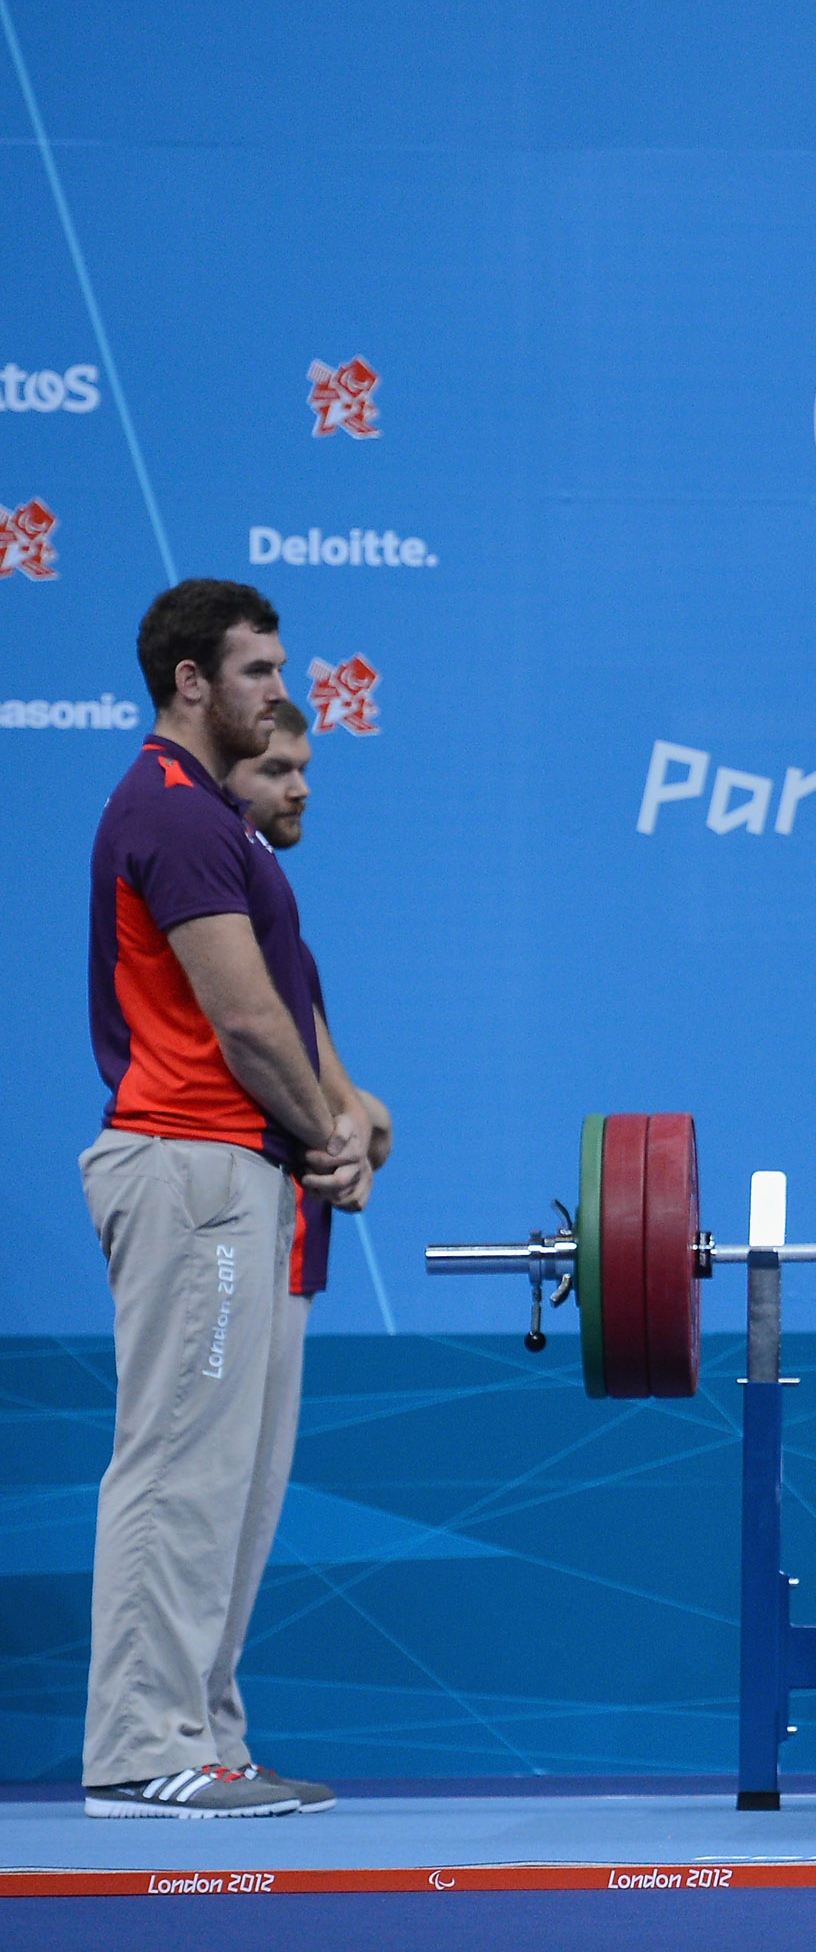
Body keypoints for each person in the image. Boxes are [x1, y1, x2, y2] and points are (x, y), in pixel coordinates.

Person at [82, 581, 366, 1818]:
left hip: (240, 1175)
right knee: (177, 1469)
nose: (275, 689)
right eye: (256, 669)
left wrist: (329, 1128)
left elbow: (281, 1015)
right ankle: (145, 1747)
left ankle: (203, 1734)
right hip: (191, 1162)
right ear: (191, 681)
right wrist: (329, 1140)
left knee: (235, 1488)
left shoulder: (218, 824)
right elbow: (245, 1021)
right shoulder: (178, 811)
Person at [226, 699, 398, 1309]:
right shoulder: (217, 910)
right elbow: (256, 1037)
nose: (300, 790)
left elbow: (322, 1076)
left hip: (288, 1233)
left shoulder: (275, 914)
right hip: (236, 1223)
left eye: (304, 769)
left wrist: (355, 1119)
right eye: (275, 771)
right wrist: (348, 1128)